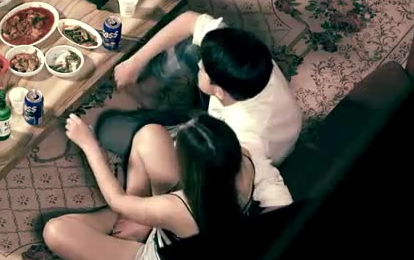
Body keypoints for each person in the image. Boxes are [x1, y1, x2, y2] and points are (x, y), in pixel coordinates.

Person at [44, 110, 283, 260]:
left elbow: (116, 199)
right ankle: (140, 216)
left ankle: (138, 215)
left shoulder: (179, 208)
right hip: (192, 225)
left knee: (56, 231)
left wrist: (89, 145)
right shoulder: (244, 161)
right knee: (149, 135)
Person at [110, 10, 302, 179]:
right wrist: (135, 62)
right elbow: (189, 20)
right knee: (192, 48)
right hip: (248, 117)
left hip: (246, 155)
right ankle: (150, 92)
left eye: (202, 69)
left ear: (218, 90)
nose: (199, 65)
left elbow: (210, 184)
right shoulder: (242, 56)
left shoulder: (243, 136)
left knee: (112, 131)